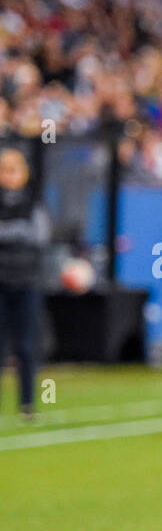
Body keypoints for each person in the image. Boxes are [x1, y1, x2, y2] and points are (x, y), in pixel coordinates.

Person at [0, 147, 49, 421]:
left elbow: (38, 236)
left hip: (27, 280)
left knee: (26, 345)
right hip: (1, 279)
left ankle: (27, 404)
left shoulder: (33, 200)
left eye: (13, 168)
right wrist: (17, 232)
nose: (8, 175)